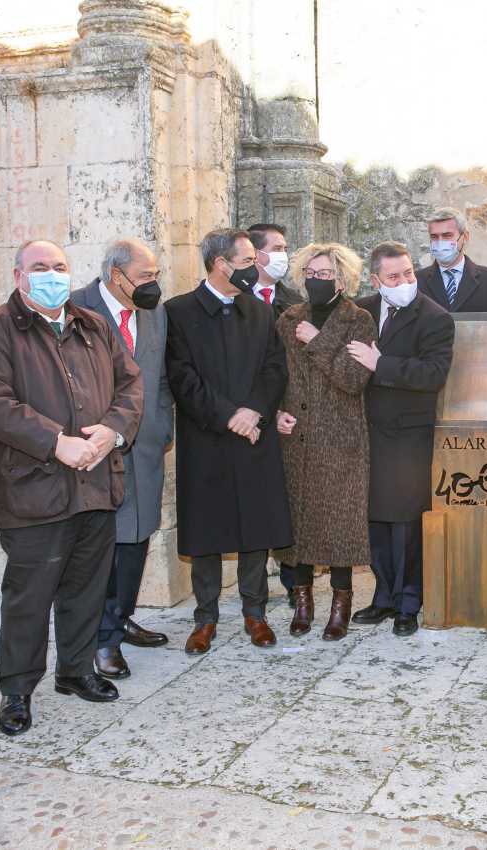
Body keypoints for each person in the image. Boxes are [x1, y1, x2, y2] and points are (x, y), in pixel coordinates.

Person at [0, 239, 143, 736]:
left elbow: (130, 384)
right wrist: (54, 442)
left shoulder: (93, 324)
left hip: (95, 481)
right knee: (29, 594)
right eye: (39, 267)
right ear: (19, 276)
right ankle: (16, 690)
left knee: (86, 586)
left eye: (59, 267)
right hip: (34, 488)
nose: (51, 274)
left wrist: (113, 429)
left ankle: (76, 670)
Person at [165, 229, 292, 654]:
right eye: (246, 261)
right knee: (207, 529)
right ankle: (206, 618)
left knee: (255, 527)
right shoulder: (178, 312)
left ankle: (255, 613)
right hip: (207, 438)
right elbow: (182, 378)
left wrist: (254, 410)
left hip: (254, 433)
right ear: (221, 264)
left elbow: (275, 368)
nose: (254, 268)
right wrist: (228, 417)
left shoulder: (258, 311)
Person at [69, 239, 174, 680]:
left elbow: (160, 374)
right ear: (117, 276)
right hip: (95, 449)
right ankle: (100, 638)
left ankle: (121, 616)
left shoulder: (153, 312)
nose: (154, 283)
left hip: (144, 445)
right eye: (146, 275)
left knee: (137, 538)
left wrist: (162, 426)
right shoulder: (75, 309)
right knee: (102, 547)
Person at [351, 241, 455, 636]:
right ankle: (383, 596)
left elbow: (433, 374)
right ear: (376, 280)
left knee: (407, 524)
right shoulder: (360, 310)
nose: (404, 282)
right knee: (375, 520)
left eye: (408, 273)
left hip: (409, 437)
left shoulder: (435, 318)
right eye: (394, 277)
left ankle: (410, 602)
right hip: (366, 433)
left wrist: (381, 364)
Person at [274, 243, 378, 640]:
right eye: (311, 274)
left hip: (341, 436)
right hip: (296, 436)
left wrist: (318, 340)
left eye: (326, 275)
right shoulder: (288, 318)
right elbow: (278, 374)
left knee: (339, 524)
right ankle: (302, 602)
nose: (318, 281)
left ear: (343, 279)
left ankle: (340, 604)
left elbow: (352, 379)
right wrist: (277, 414)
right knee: (298, 522)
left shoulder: (359, 320)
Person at [246, 221, 303, 607]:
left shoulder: (294, 300)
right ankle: (251, 588)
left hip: (285, 414)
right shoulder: (233, 298)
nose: (284, 254)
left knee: (288, 498)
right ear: (256, 255)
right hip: (245, 415)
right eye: (277, 247)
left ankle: (293, 580)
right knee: (250, 501)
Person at [417, 207, 487, 313]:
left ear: (465, 237)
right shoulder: (416, 282)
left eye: (447, 235)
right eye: (434, 237)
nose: (440, 242)